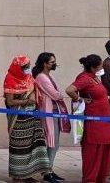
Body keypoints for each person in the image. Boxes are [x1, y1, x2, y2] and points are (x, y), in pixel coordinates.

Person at [67, 54, 110, 183]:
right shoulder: (85, 78)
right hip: (94, 123)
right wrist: (80, 99)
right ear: (94, 67)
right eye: (101, 65)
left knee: (106, 153)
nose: (102, 67)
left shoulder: (95, 78)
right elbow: (70, 90)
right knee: (93, 154)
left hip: (105, 122)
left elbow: (98, 96)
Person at [3, 55, 50, 182]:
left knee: (35, 145)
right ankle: (18, 176)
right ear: (17, 67)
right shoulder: (10, 78)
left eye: (28, 66)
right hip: (18, 119)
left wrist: (33, 100)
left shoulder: (29, 77)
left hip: (33, 117)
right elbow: (10, 101)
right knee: (19, 147)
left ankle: (29, 174)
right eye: (25, 67)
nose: (28, 68)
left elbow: (34, 93)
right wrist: (26, 101)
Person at [33, 52, 66, 182]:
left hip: (54, 113)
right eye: (52, 62)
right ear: (45, 64)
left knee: (55, 144)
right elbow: (56, 95)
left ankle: (49, 170)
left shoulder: (47, 76)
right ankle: (47, 172)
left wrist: (59, 94)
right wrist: (59, 94)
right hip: (48, 114)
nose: (54, 64)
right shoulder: (41, 77)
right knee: (51, 143)